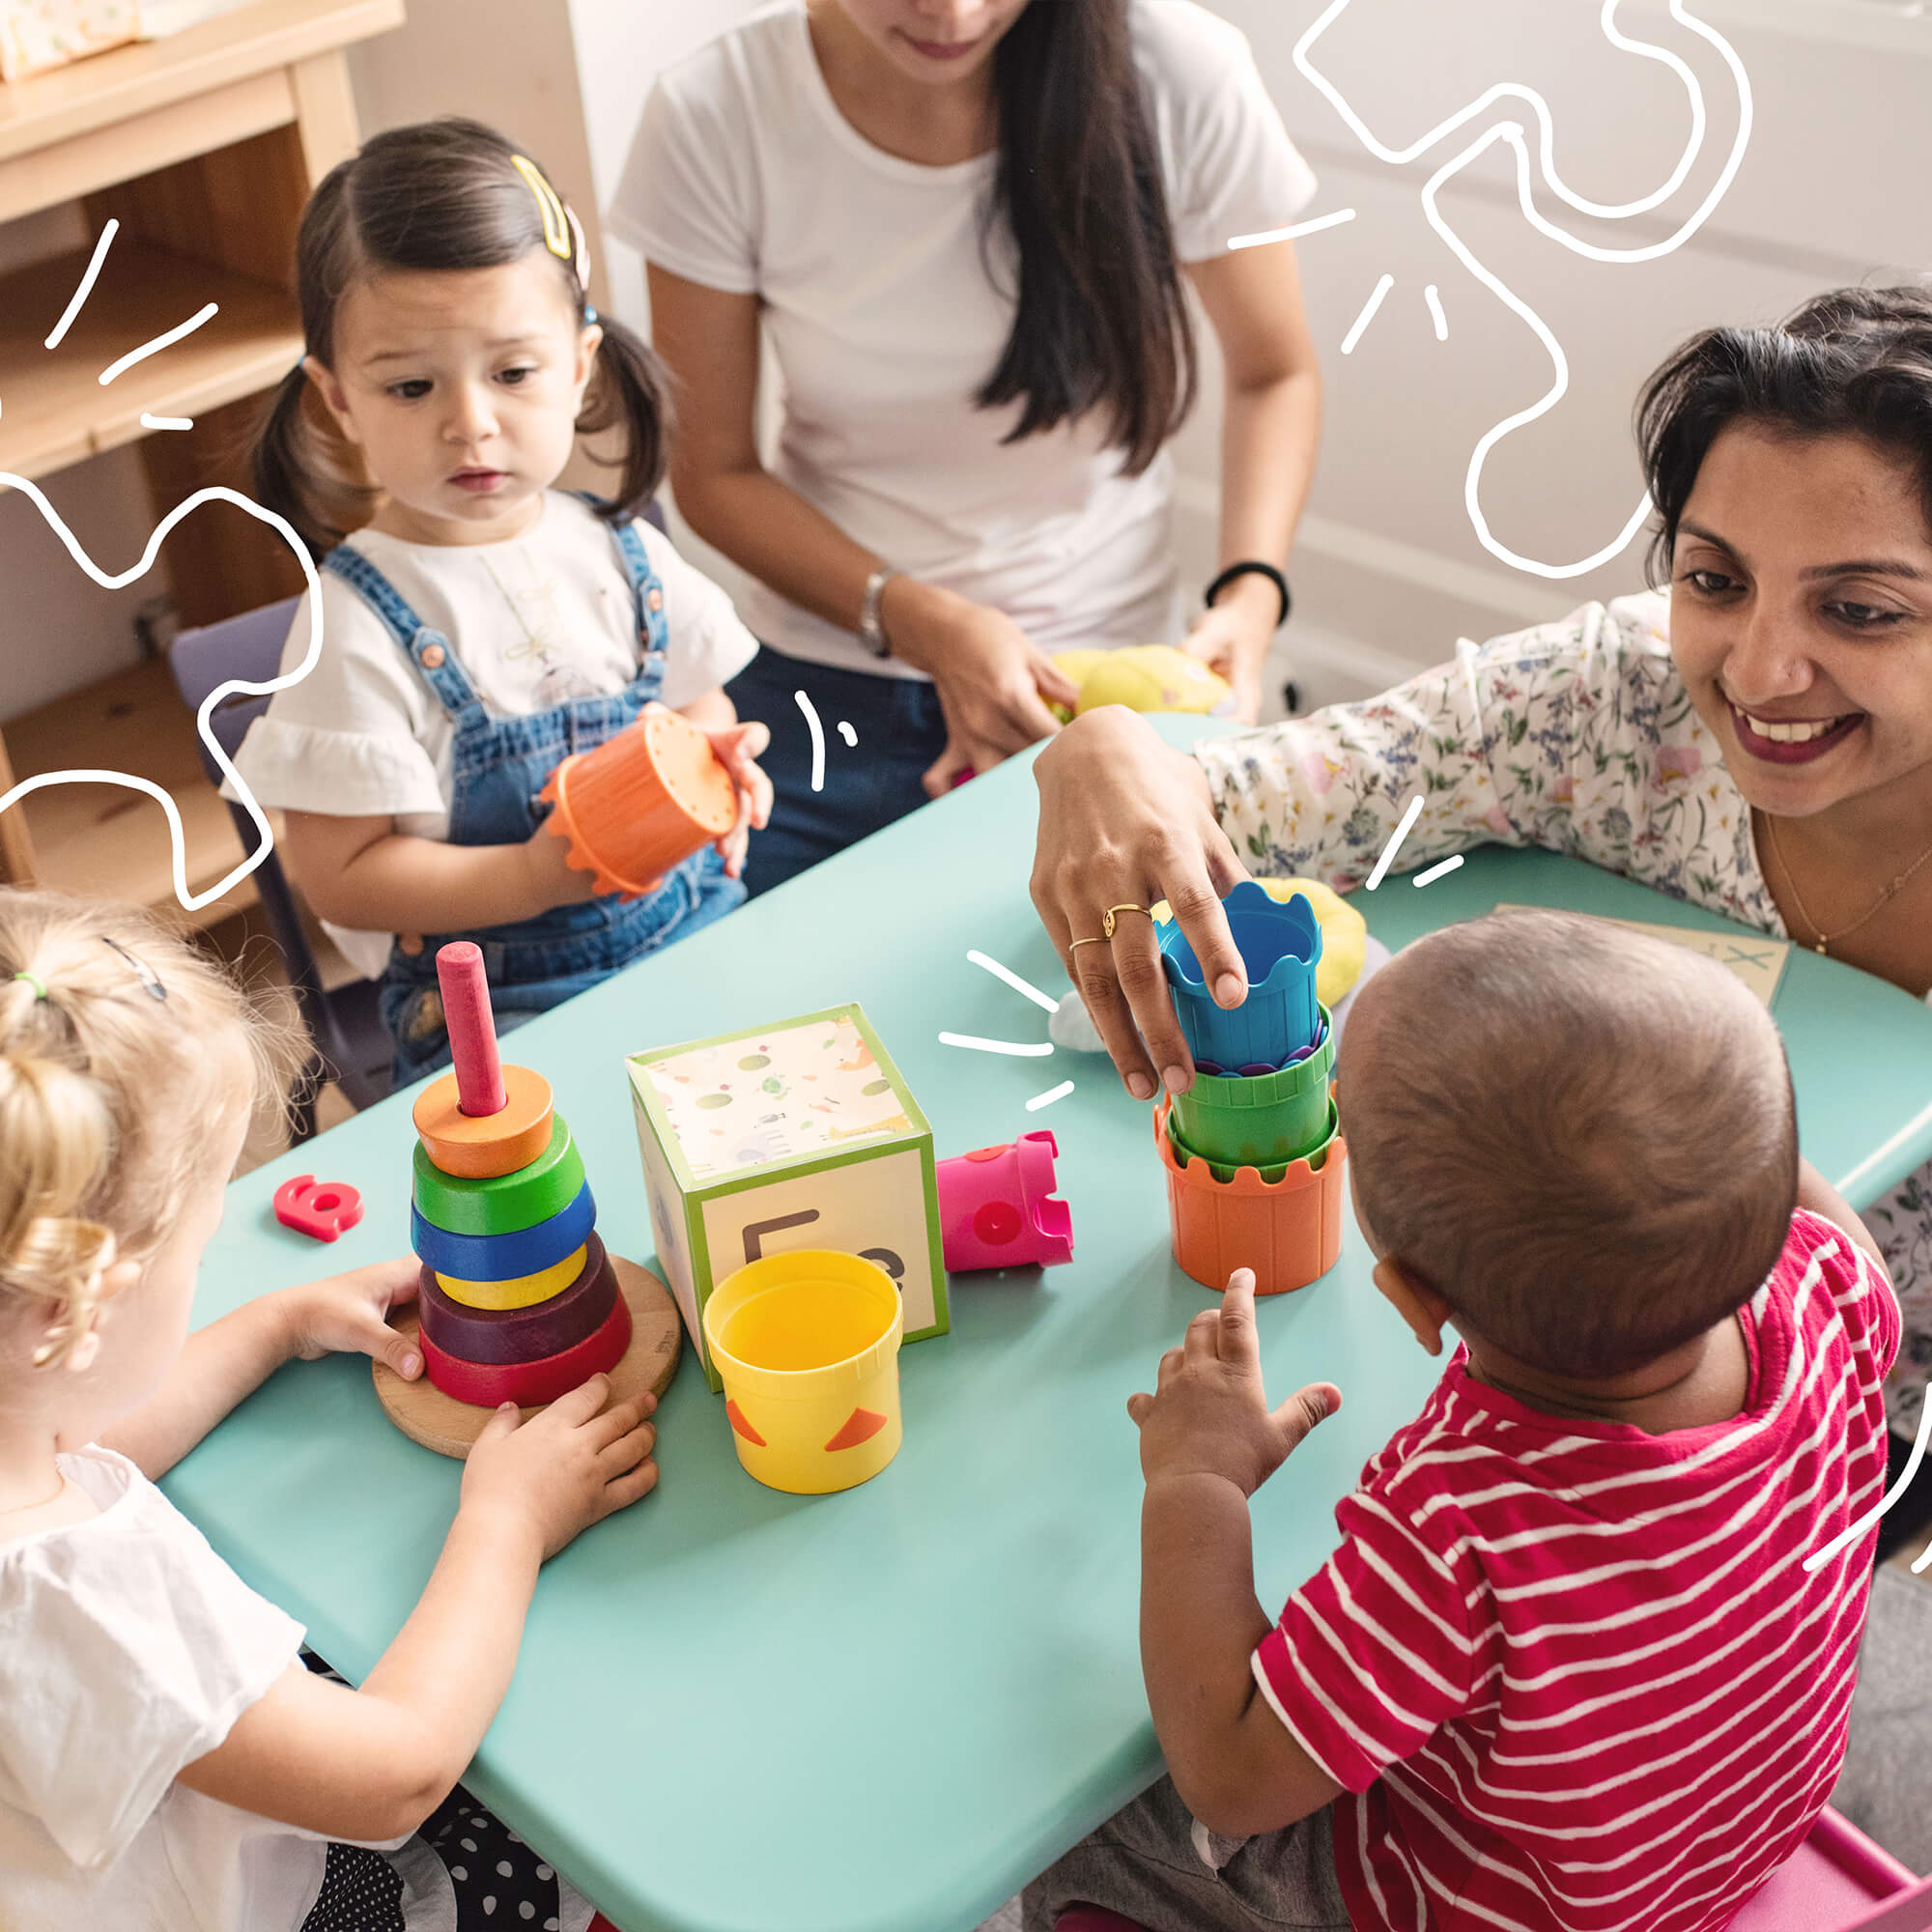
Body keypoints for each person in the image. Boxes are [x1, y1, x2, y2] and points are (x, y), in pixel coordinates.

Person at [1030, 283, 1932, 1551]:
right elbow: (1254, 796)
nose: (1760, 670)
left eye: (1862, 609)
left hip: (1872, 1429)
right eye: (1715, 579)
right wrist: (1102, 754)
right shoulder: (1614, 705)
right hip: (1566, 1366)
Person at [1024, 910, 1900, 1932]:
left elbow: (1228, 1769)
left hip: (1502, 1908)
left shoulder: (1460, 1525)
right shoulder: (1827, 1288)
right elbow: (1798, 1206)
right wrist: (1710, 1124)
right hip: (1717, 1848)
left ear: (1409, 1297)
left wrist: (1196, 1481)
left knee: (1094, 1820)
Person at [0, 888, 654, 1931]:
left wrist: (273, 1323)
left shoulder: (16, 1436)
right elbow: (393, 1773)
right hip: (267, 1905)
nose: (204, 1272)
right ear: (72, 1311)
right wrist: (507, 1522)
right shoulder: (78, 1604)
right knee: (569, 1845)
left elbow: (75, 1436)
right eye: (197, 1253)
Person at [614, 0, 1323, 894]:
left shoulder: (1181, 72)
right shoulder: (717, 112)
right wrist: (927, 624)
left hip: (1107, 685)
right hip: (829, 681)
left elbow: (1274, 373)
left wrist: (1252, 592)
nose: (952, 13)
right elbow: (712, 472)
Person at [236, 119, 774, 1086]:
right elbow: (340, 875)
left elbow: (697, 703)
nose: (470, 423)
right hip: (504, 1017)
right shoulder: (354, 624)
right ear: (336, 401)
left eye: (513, 372)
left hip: (696, 935)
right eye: (409, 385)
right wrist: (532, 876)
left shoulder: (620, 548)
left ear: (578, 365)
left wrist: (713, 765)